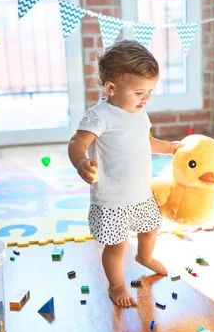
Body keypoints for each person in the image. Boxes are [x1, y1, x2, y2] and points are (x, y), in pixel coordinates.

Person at [68, 40, 181, 307]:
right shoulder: (100, 116)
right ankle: (116, 285)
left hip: (140, 194)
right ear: (111, 88)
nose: (146, 98)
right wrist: (81, 162)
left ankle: (144, 256)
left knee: (152, 227)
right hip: (113, 200)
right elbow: (77, 143)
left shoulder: (139, 114)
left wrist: (169, 148)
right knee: (117, 246)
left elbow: (145, 141)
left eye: (150, 91)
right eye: (140, 92)